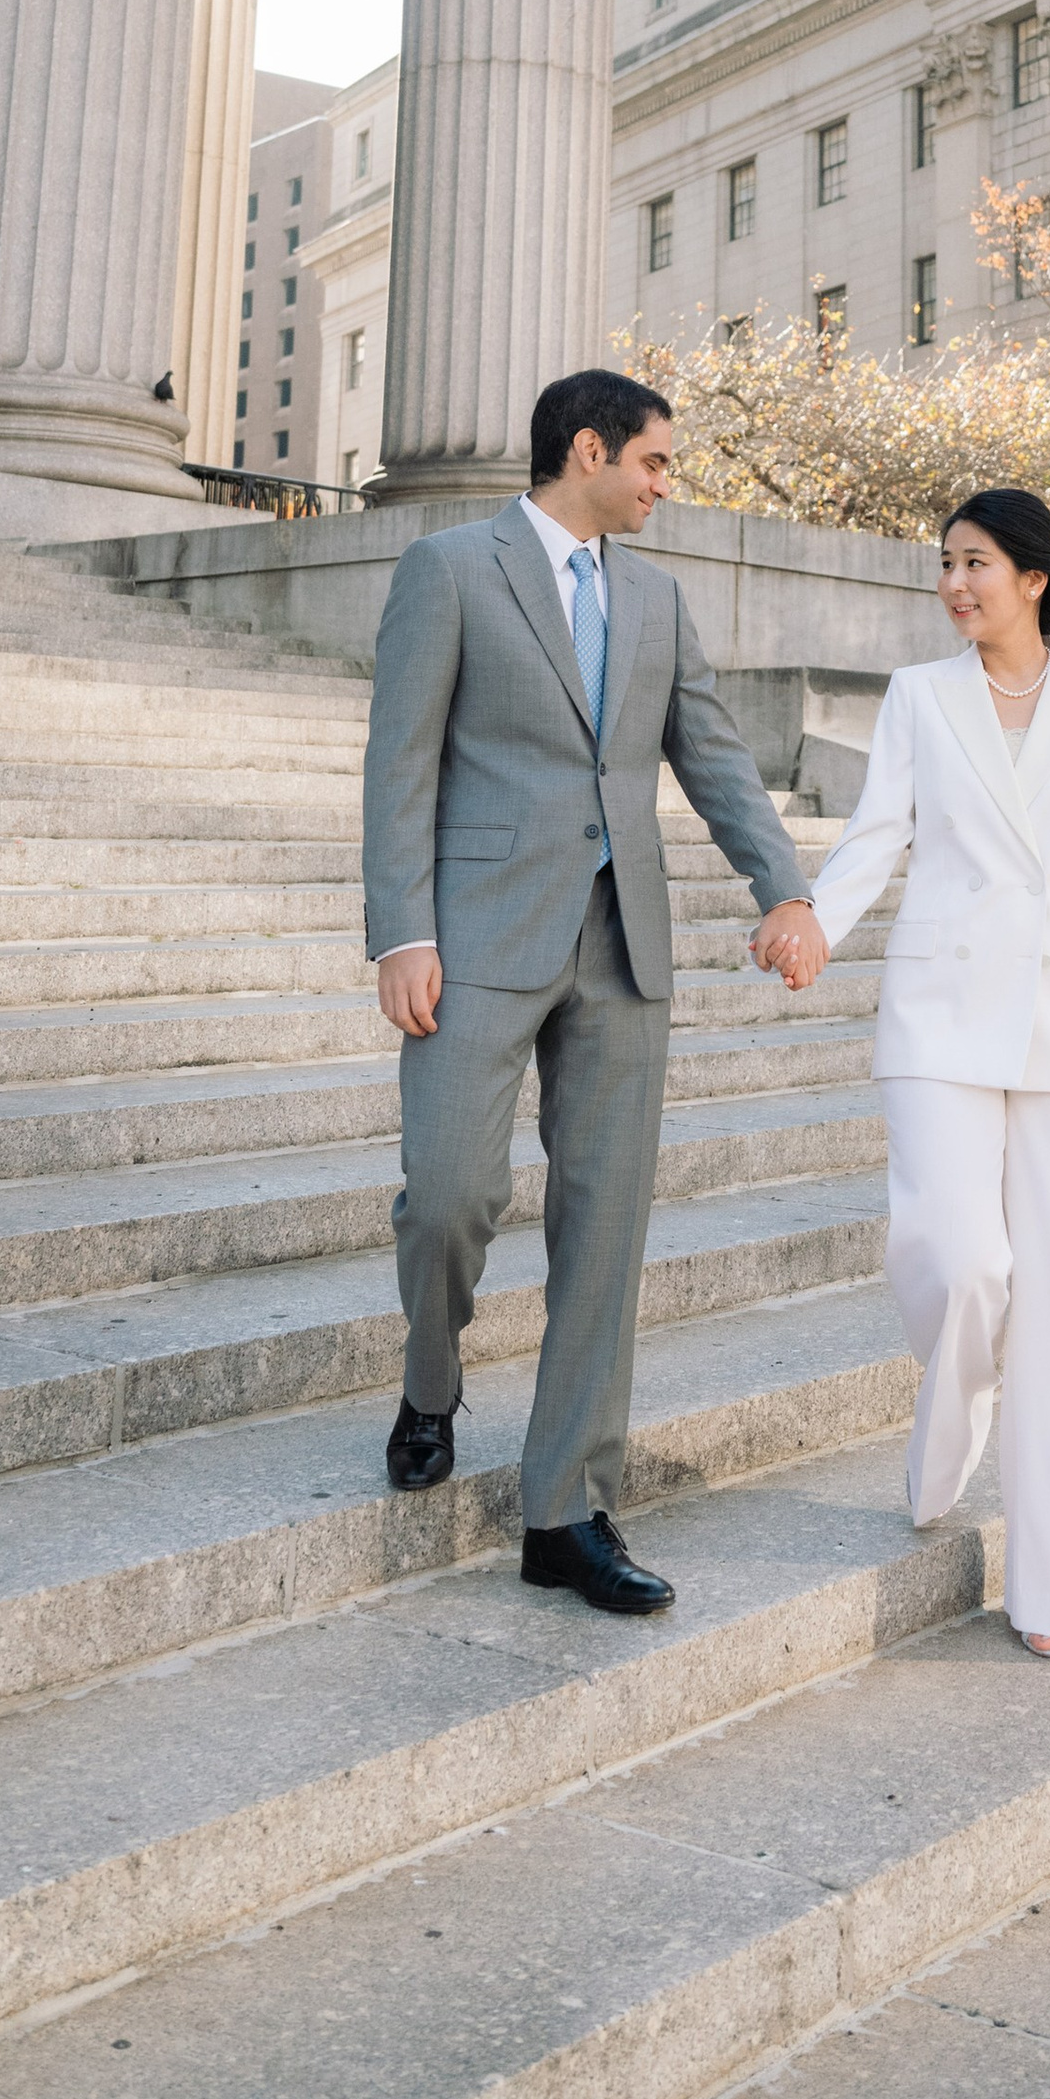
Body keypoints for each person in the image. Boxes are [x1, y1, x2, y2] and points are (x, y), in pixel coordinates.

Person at [750, 489, 1050, 1656]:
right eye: (945, 564)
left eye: (975, 563)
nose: (954, 583)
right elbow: (878, 832)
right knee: (955, 1257)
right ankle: (955, 1403)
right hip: (937, 1014)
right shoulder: (919, 698)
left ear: (1034, 577)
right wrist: (816, 918)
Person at [361, 368, 809, 1613]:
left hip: (624, 950)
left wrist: (786, 888)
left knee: (604, 1230)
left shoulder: (659, 600)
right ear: (593, 449)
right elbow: (397, 763)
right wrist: (400, 933)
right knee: (449, 1192)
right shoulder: (450, 569)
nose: (667, 485)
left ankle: (566, 1508)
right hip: (479, 935)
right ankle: (431, 1378)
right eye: (656, 463)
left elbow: (712, 755)